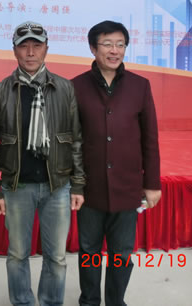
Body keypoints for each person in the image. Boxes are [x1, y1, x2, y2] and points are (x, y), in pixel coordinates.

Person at [0, 21, 85, 306]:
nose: (30, 52)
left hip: (58, 186)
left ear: (46, 50)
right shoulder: (0, 92)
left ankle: (51, 301)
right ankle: (23, 302)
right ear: (14, 51)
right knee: (18, 254)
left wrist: (78, 184)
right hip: (17, 186)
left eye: (36, 46)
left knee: (57, 257)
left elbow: (76, 140)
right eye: (24, 46)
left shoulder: (64, 88)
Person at [72, 20, 162, 306]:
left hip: (127, 186)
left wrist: (152, 184)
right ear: (93, 48)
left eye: (120, 45)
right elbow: (71, 140)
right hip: (90, 187)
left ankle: (115, 301)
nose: (115, 51)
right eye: (107, 44)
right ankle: (89, 300)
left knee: (122, 252)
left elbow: (150, 139)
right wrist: (75, 184)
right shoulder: (75, 87)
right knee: (89, 250)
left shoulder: (140, 86)